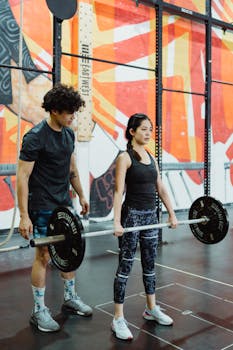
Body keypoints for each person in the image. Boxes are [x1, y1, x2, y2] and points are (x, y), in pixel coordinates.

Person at [17, 83, 93, 333]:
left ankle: (70, 299)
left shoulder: (68, 134)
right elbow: (22, 177)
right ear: (55, 111)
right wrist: (24, 216)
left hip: (63, 203)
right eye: (69, 112)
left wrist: (81, 195)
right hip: (40, 205)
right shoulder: (35, 137)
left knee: (69, 250)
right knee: (44, 255)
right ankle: (38, 310)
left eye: (74, 111)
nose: (73, 116)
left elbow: (71, 169)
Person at [111, 113, 178, 340]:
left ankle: (151, 308)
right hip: (132, 218)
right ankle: (118, 318)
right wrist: (117, 221)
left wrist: (171, 213)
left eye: (150, 129)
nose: (148, 133)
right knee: (125, 267)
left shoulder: (151, 156)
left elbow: (161, 187)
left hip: (151, 217)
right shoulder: (125, 158)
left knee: (150, 265)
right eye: (144, 129)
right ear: (132, 131)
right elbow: (118, 191)